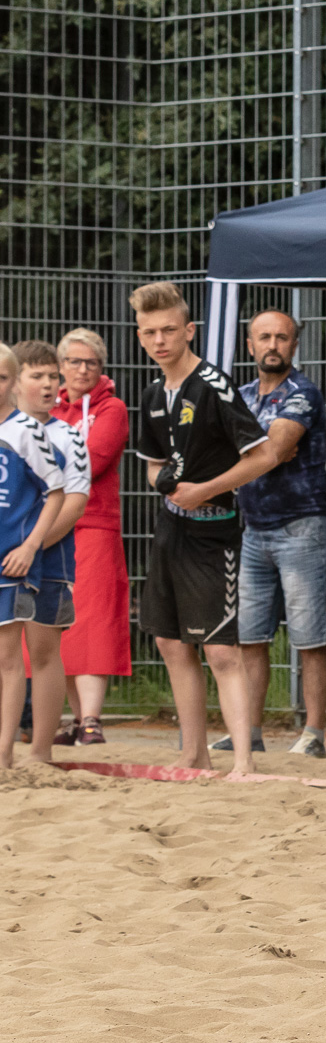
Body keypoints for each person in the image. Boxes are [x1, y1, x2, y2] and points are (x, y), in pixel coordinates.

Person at [132, 282, 277, 776]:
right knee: (171, 642)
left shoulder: (213, 384)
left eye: (169, 329)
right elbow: (152, 465)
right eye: (150, 331)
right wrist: (166, 483)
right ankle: (192, 753)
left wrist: (205, 488)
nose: (160, 339)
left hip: (215, 528)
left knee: (220, 647)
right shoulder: (153, 393)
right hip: (170, 528)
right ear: (140, 336)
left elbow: (265, 456)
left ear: (189, 330)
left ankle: (242, 764)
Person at [214, 309, 326, 759]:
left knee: (310, 638)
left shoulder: (304, 392)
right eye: (263, 337)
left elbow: (278, 447)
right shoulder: (239, 394)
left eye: (281, 337)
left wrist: (260, 449)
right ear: (249, 345)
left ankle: (314, 734)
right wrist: (262, 449)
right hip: (253, 531)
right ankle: (249, 731)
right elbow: (233, 449)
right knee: (250, 637)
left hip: (303, 527)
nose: (272, 344)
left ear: (294, 344)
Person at [49, 328, 131, 745]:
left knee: (95, 621)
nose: (82, 370)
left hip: (95, 524)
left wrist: (47, 466)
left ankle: (93, 719)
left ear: (102, 367)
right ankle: (75, 717)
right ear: (61, 367)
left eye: (91, 363)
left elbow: (93, 460)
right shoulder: (48, 408)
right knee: (60, 620)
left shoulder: (112, 408)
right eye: (74, 362)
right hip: (51, 528)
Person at [13, 342, 90, 762]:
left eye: (52, 377)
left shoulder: (69, 436)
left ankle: (41, 751)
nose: (47, 385)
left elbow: (75, 503)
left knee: (43, 655)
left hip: (50, 562)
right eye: (36, 376)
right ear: (14, 382)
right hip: (7, 560)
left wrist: (30, 550)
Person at [0, 343, 66, 768]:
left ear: (13, 382)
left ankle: (4, 754)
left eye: (2, 377)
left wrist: (29, 546)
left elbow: (57, 493)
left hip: (11, 561)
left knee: (7, 660)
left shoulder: (26, 431)